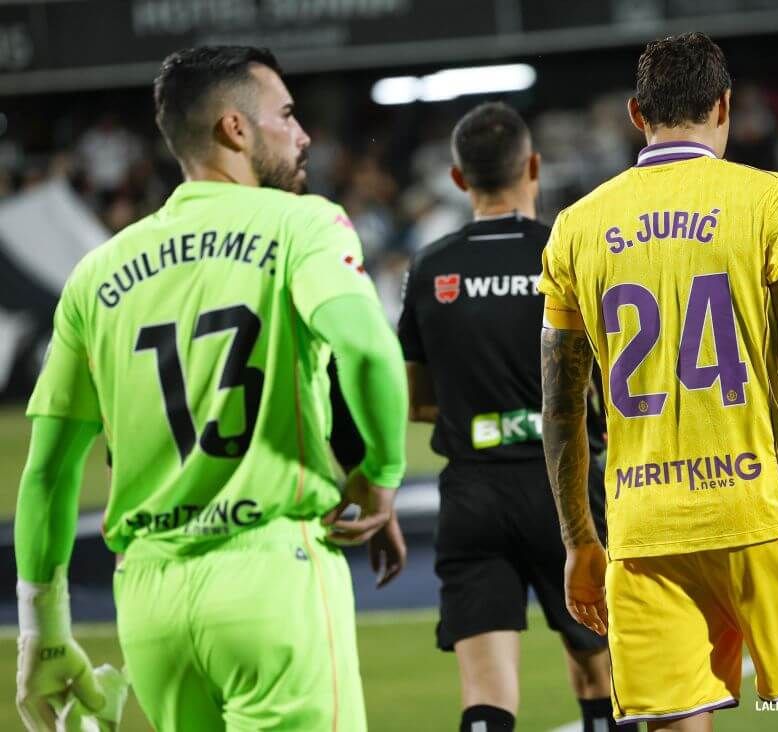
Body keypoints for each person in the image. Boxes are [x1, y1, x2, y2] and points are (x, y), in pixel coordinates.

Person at [15, 45, 408, 732]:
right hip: (268, 571)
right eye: (286, 114)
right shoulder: (303, 224)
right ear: (236, 129)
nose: (303, 132)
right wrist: (381, 473)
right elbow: (369, 350)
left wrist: (42, 632)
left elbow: (48, 471)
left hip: (149, 605)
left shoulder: (97, 272)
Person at [539, 33, 778, 732]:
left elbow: (561, 405)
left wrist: (579, 541)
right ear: (724, 105)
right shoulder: (768, 200)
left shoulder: (574, 227)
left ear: (638, 114)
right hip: (761, 511)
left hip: (641, 530)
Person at [398, 102, 633, 732]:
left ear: (457, 179)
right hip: (567, 493)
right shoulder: (566, 250)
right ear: (532, 165)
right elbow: (616, 378)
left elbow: (418, 401)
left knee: (486, 693)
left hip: (472, 493)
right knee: (602, 672)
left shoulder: (430, 267)